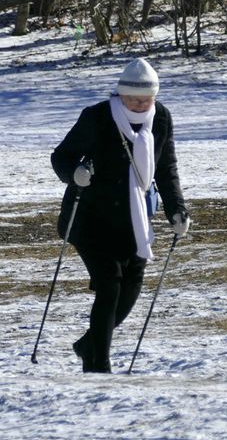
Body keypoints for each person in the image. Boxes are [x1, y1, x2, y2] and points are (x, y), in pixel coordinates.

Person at [50, 57, 190, 373]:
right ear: (121, 95)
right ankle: (98, 364)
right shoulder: (98, 117)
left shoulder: (162, 118)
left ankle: (90, 344)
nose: (141, 105)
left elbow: (166, 171)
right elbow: (61, 156)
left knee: (131, 286)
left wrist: (177, 210)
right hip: (90, 217)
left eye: (147, 99)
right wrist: (75, 173)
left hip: (134, 218)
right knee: (110, 283)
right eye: (134, 99)